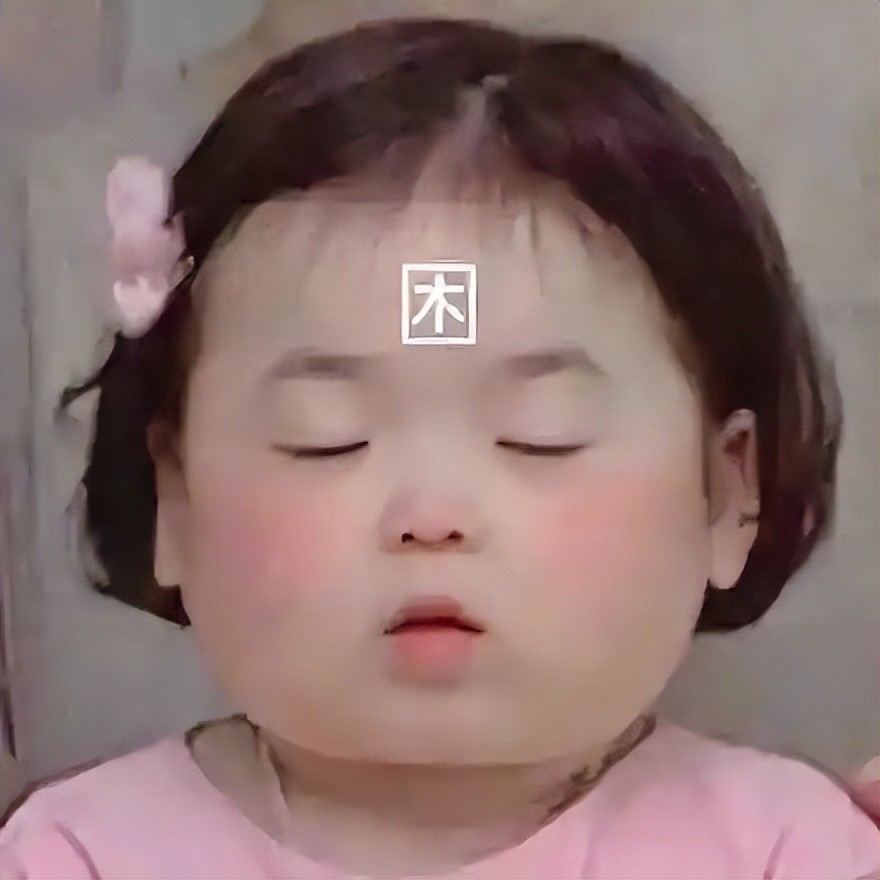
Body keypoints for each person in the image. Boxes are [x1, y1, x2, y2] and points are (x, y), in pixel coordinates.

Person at [0, 16, 876, 879]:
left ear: (726, 493)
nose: (432, 515)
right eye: (326, 438)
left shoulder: (791, 851)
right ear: (173, 497)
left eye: (541, 434)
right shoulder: (75, 856)